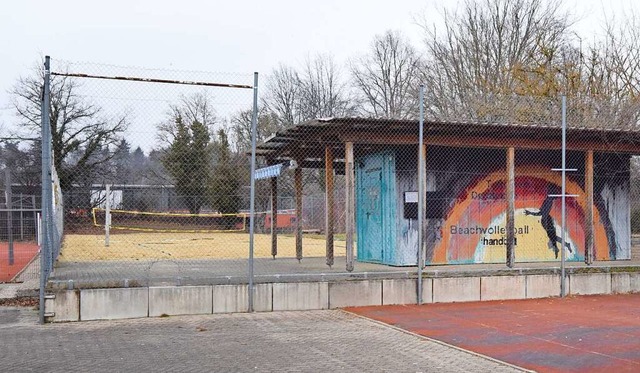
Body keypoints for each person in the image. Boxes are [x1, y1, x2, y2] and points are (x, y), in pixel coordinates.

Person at [524, 185, 572, 259]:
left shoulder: (549, 201)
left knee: (553, 236)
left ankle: (560, 247)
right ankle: (561, 246)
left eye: (548, 190)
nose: (546, 191)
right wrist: (531, 213)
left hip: (546, 220)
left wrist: (530, 213)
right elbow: (541, 213)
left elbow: (541, 213)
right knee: (553, 236)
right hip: (545, 220)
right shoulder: (548, 200)